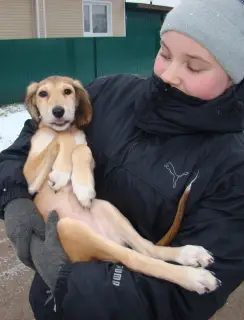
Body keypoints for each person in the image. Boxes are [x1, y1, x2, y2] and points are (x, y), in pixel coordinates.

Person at [1, 0, 244, 319]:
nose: (169, 75)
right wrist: (14, 195)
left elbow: (183, 299)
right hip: (49, 304)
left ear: (233, 76)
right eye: (165, 53)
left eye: (194, 66)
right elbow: (31, 141)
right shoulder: (108, 93)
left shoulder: (232, 167)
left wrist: (71, 281)